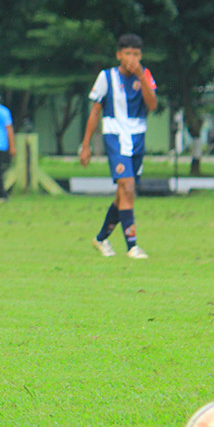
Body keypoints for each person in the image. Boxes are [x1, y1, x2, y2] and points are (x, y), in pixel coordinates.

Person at [79, 33, 157, 259]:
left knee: (124, 194)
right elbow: (95, 111)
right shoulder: (107, 77)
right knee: (128, 187)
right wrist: (86, 145)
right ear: (119, 55)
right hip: (115, 136)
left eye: (136, 54)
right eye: (127, 53)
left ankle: (101, 239)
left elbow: (152, 105)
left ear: (140, 55)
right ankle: (132, 246)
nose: (131, 58)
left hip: (137, 138)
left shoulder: (146, 75)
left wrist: (141, 77)